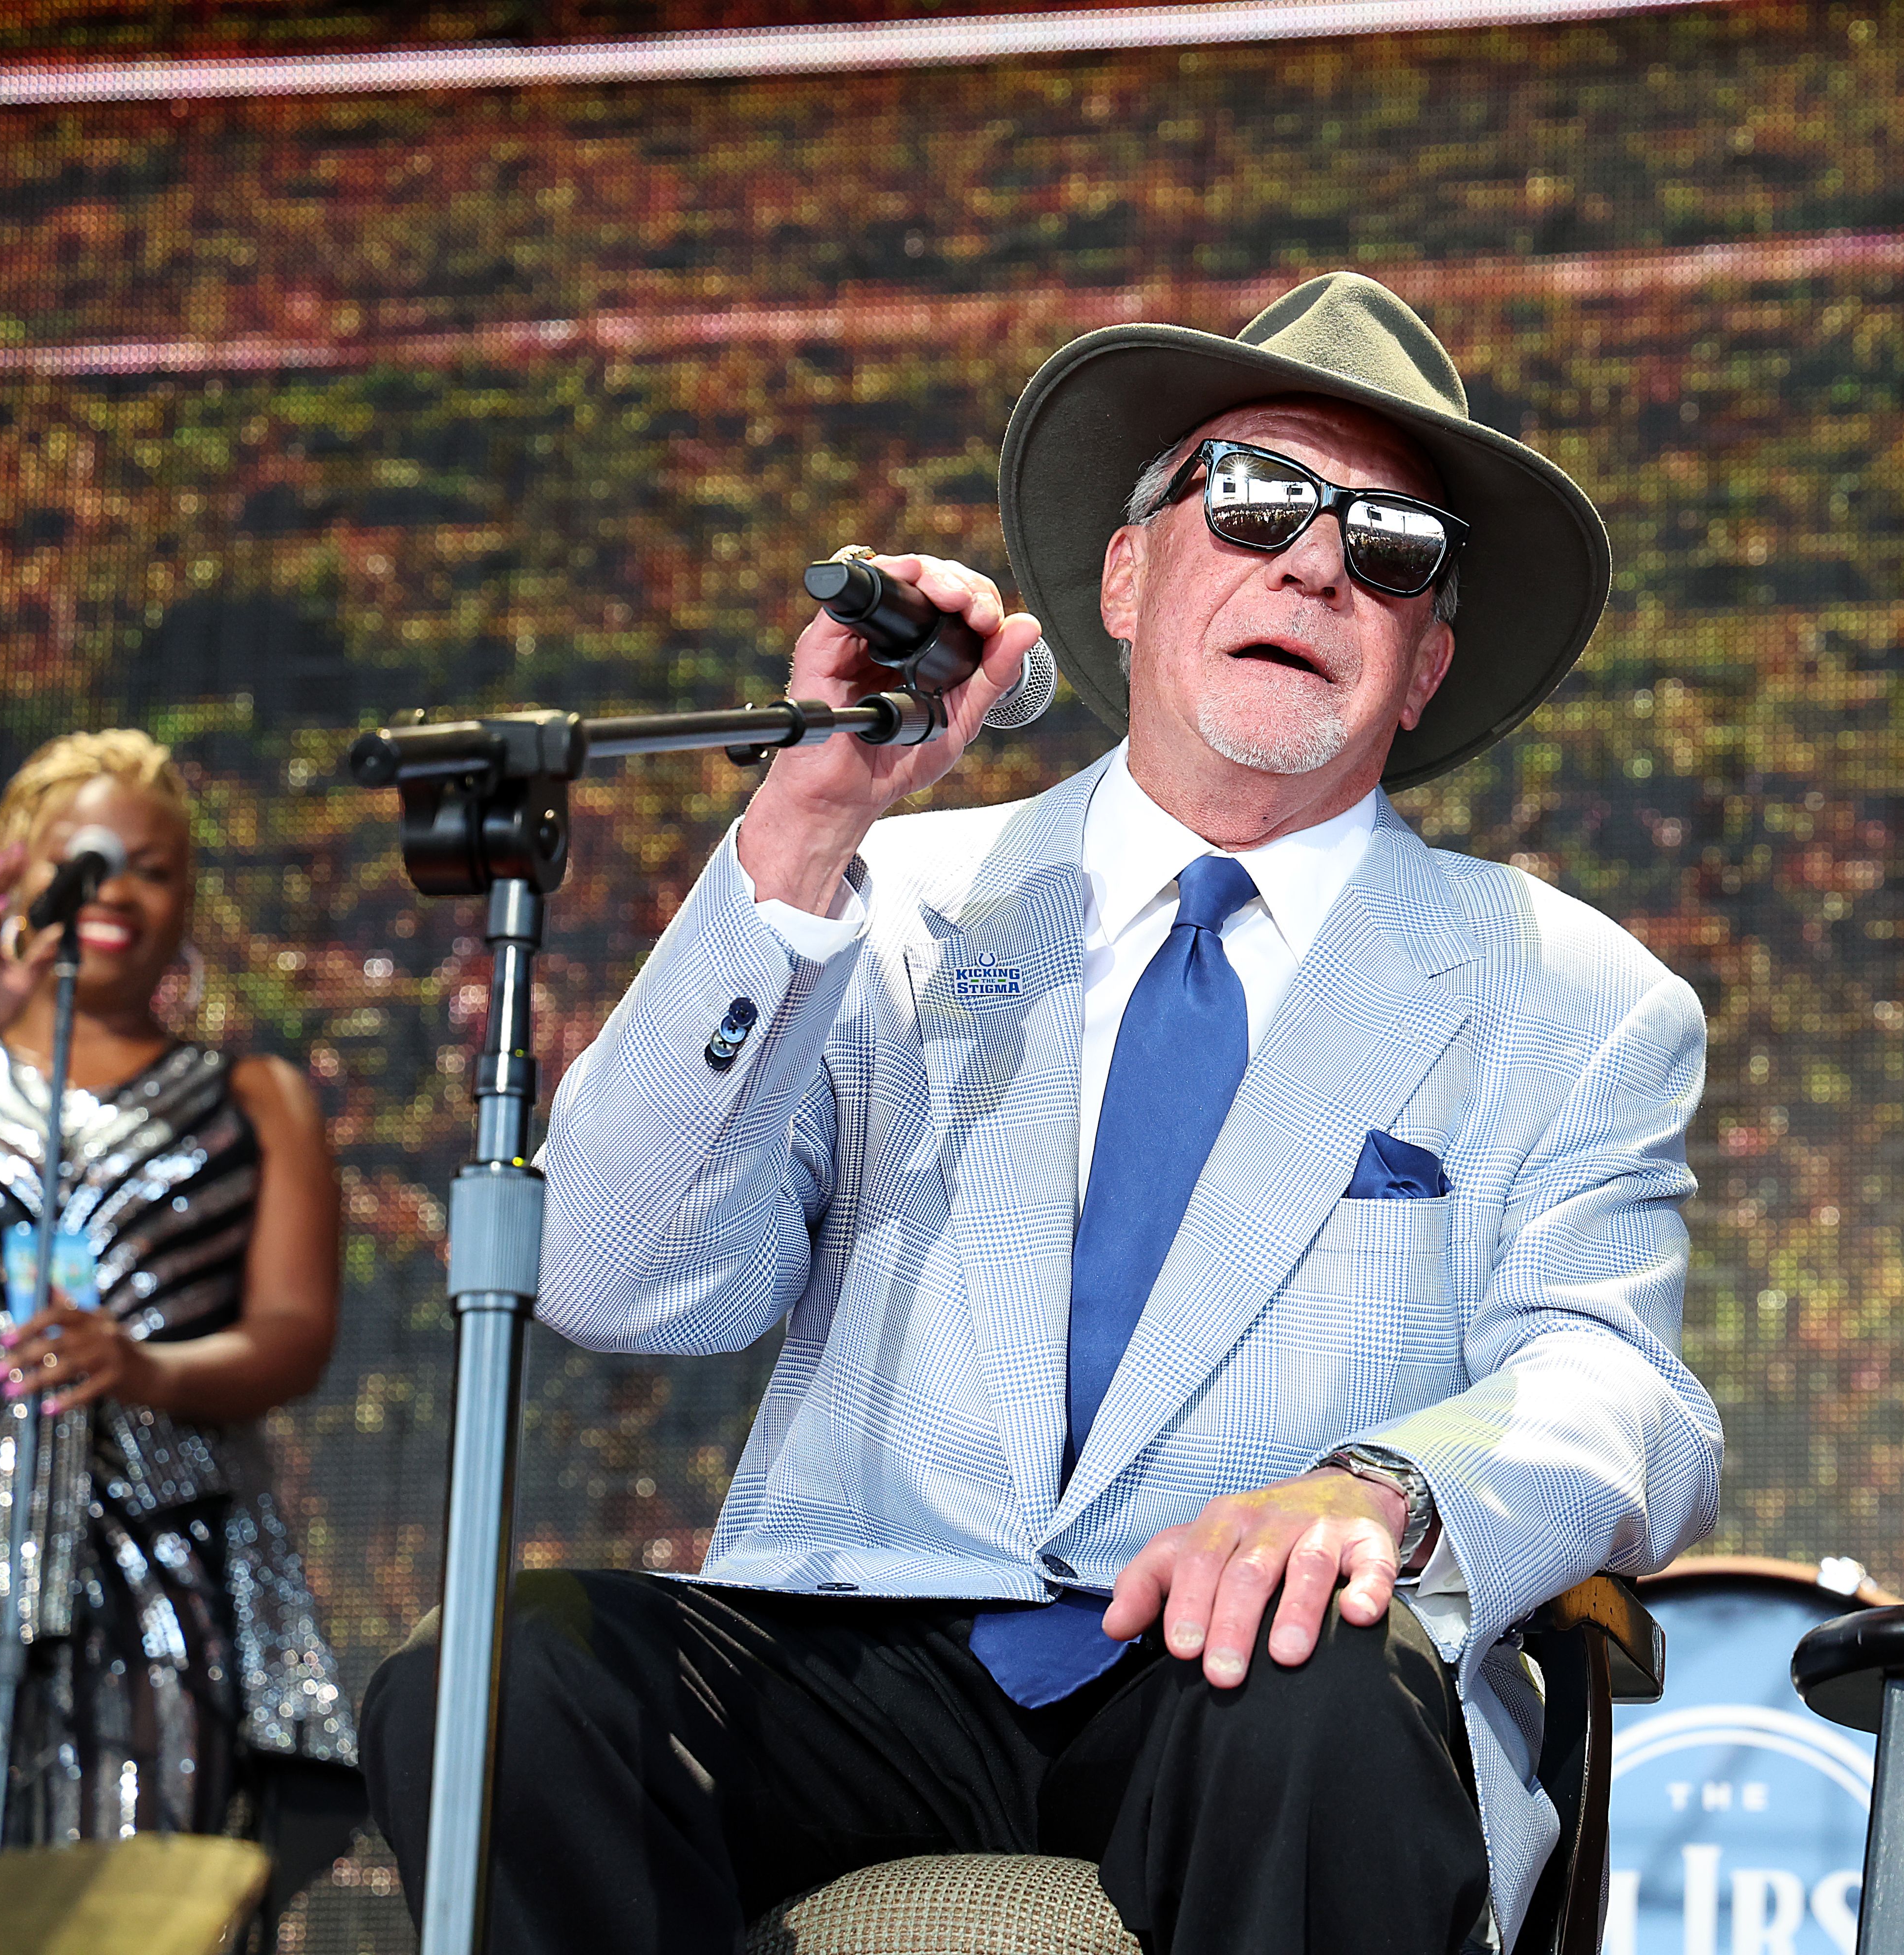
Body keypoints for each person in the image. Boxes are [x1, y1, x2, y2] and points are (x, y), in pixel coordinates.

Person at [363, 272, 1722, 1955]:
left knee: (1316, 1694)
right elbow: (607, 1274)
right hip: (871, 1653)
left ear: (1425, 661)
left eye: (1391, 548)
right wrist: (798, 836)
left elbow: (1622, 1388)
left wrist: (1380, 1487)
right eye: (1258, 500)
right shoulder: (891, 897)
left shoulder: (1569, 993)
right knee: (505, 1690)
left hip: (1245, 1667)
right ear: (1129, 573)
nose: (1314, 561)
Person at [0, 730, 361, 1907]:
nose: (118, 889)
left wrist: (144, 1367)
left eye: (154, 867)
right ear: (14, 874)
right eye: (88, 859)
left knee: (132, 1879)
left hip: (157, 1563)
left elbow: (292, 1332)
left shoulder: (250, 1095)